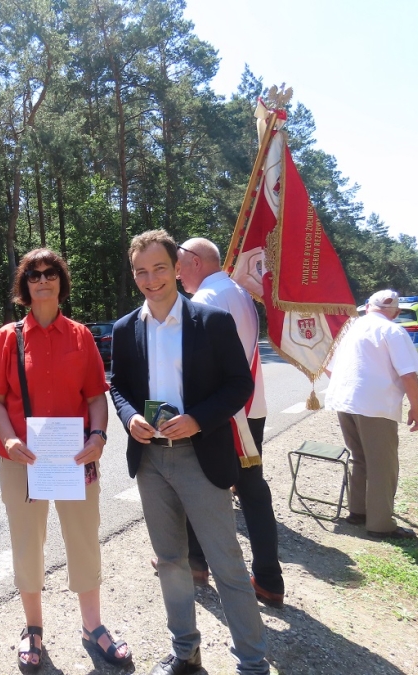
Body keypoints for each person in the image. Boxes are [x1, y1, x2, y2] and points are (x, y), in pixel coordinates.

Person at [109, 231, 270, 675]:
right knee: (171, 563)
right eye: (141, 271)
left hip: (201, 456)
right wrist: (129, 417)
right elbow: (118, 387)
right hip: (151, 461)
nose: (151, 279)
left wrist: (199, 419)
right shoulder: (125, 329)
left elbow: (239, 385)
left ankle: (252, 663)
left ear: (177, 268)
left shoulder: (211, 321)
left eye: (159, 268)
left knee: (226, 563)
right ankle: (186, 653)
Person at [0, 249, 131, 672]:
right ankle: (33, 628)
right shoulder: (8, 337)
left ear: (61, 281)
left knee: (83, 539)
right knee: (28, 544)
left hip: (74, 457)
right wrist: (8, 439)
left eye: (50, 273)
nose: (42, 279)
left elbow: (96, 397)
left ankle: (93, 626)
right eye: (33, 274)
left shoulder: (81, 336)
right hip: (21, 460)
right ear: (24, 285)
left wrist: (99, 436)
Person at [175, 237, 285, 607]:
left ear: (195, 261)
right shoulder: (239, 292)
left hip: (222, 414)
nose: (177, 274)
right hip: (250, 408)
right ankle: (268, 578)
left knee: (196, 484)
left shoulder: (207, 299)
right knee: (253, 491)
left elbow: (197, 365)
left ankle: (196, 565)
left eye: (179, 265)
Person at [325, 289, 418, 539]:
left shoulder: (349, 328)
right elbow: (408, 374)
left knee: (359, 457)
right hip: (375, 404)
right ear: (396, 312)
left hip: (345, 400)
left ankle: (358, 511)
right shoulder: (393, 331)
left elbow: (328, 366)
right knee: (382, 464)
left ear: (367, 307)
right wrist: (416, 408)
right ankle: (380, 524)